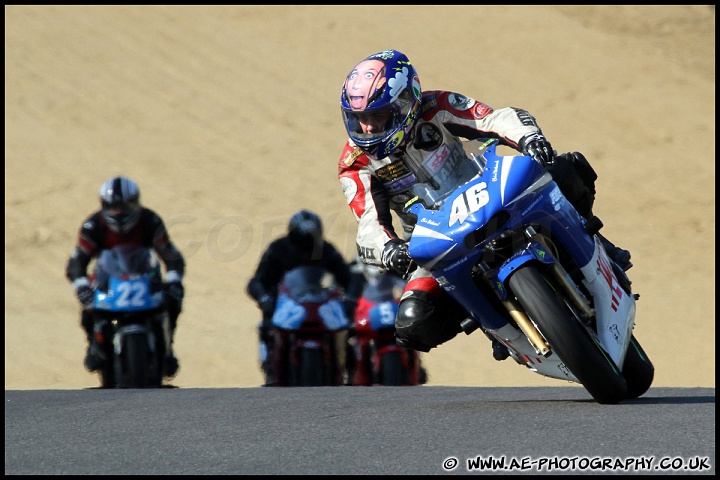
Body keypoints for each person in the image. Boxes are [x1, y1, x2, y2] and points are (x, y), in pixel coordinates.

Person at [337, 49, 632, 357]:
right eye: (359, 119)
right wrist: (389, 250)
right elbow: (369, 222)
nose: (368, 128)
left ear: (405, 104)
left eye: (377, 116)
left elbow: (493, 119)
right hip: (435, 238)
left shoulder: (436, 107)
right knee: (413, 323)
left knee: (564, 168)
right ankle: (493, 322)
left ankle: (599, 247)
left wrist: (529, 138)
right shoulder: (355, 162)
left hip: (488, 193)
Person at [66, 176, 186, 376]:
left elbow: (171, 256)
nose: (118, 212)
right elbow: (77, 262)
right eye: (112, 207)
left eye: (123, 207)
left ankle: (167, 347)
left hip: (144, 277)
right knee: (88, 307)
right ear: (103, 205)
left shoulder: (151, 221)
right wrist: (81, 286)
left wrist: (174, 280)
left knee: (172, 299)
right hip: (108, 280)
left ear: (135, 204)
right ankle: (93, 345)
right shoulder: (93, 225)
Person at [246, 209, 364, 386]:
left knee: (347, 328)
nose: (307, 245)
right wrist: (264, 299)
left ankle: (347, 367)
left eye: (311, 239)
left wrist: (350, 299)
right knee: (266, 327)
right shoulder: (277, 249)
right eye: (302, 239)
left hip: (320, 304)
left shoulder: (326, 250)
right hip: (285, 306)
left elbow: (347, 277)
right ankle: (271, 367)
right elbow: (257, 281)